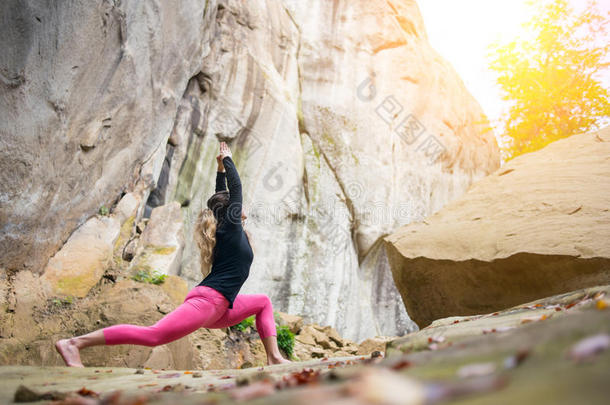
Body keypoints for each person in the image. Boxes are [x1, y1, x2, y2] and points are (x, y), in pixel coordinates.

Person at [55, 141, 291, 367]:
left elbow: (222, 196)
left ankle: (273, 357)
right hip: (208, 303)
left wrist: (220, 170)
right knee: (153, 335)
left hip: (221, 309)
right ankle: (74, 344)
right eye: (237, 204)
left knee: (263, 302)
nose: (242, 205)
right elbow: (235, 189)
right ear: (231, 210)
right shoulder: (229, 228)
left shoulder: (227, 228)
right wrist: (228, 160)